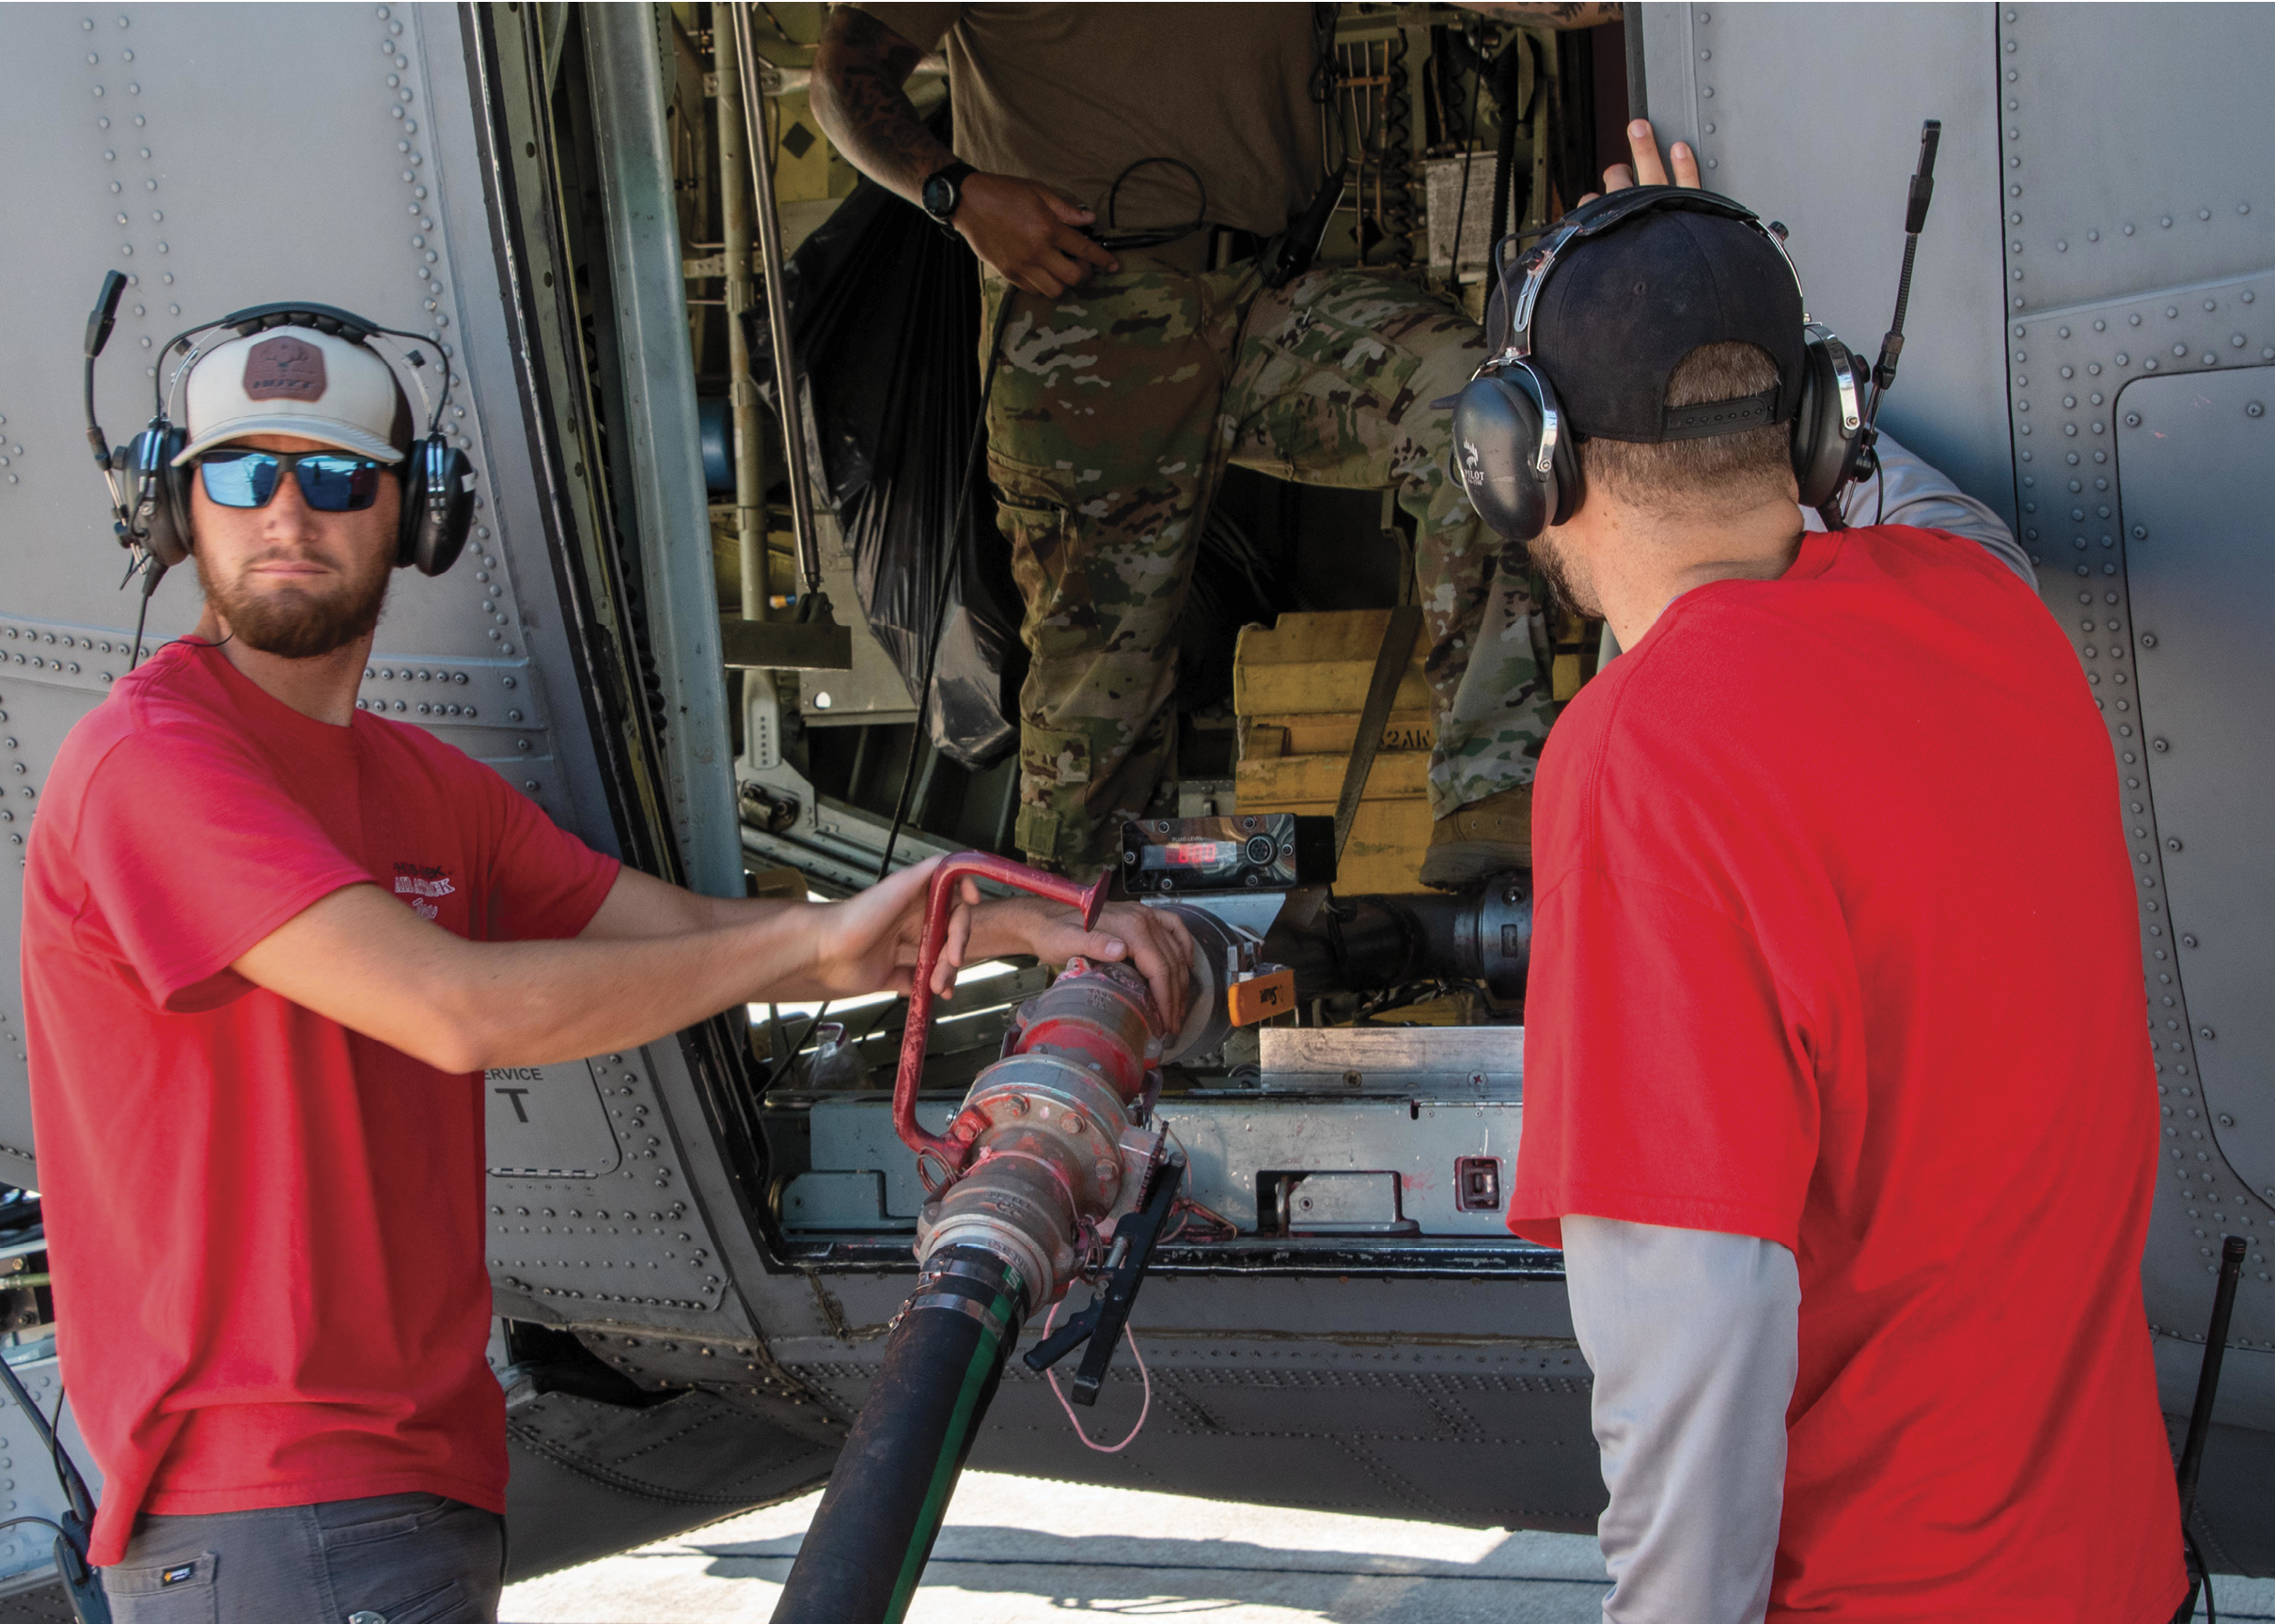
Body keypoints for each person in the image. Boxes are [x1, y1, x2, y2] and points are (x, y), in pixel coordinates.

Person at [20, 323, 1190, 1621]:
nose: (288, 513)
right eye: (242, 476)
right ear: (176, 509)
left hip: (412, 1489)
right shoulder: (153, 764)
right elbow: (450, 1009)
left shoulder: (424, 792)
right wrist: (810, 941)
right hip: (263, 1502)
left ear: (419, 511)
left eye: (339, 476)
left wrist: (1013, 924)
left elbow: (694, 939)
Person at [1491, 177, 2186, 1616]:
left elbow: (1695, 1327)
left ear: (1520, 463)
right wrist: (1715, 308)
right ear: (1814, 424)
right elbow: (1913, 500)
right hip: (2116, 1573)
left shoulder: (1645, 759)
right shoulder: (1985, 609)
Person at [810, 3, 1572, 886]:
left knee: (1478, 414)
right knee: (1100, 683)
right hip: (1087, 316)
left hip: (1264, 288)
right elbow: (843, 79)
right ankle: (1085, 941)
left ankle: (1491, 787)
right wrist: (957, 195)